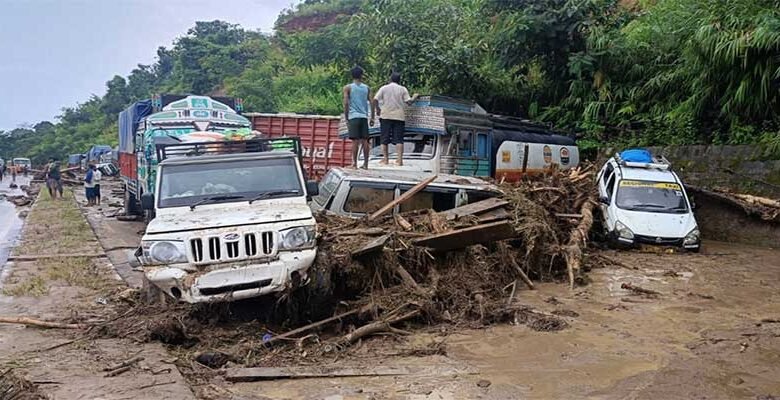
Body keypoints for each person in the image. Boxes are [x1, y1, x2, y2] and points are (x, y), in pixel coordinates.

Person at [372, 72, 419, 166]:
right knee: (399, 139)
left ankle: (385, 160)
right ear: (399, 80)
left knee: (384, 138)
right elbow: (409, 102)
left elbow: (375, 99)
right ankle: (400, 160)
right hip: (399, 117)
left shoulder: (384, 88)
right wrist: (414, 97)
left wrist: (378, 109)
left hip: (386, 115)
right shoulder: (403, 89)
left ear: (390, 79)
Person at [342, 66, 373, 169]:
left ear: (352, 75)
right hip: (364, 116)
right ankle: (366, 164)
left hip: (353, 116)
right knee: (365, 140)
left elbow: (346, 103)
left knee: (355, 141)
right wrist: (372, 117)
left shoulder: (348, 87)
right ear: (361, 75)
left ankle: (354, 163)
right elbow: (371, 102)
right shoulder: (366, 88)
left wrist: (346, 117)